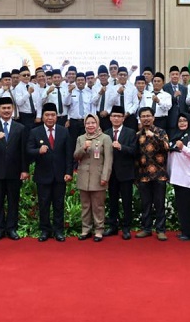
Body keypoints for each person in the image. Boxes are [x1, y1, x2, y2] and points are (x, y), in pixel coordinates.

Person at [0, 96, 29, 241]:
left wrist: (24, 169)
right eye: (4, 108)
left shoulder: (20, 128)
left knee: (13, 201)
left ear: (13, 109)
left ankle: (11, 228)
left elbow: (23, 150)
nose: (6, 110)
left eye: (9, 108)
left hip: (14, 171)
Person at [27, 103, 72, 242]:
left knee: (59, 204)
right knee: (44, 204)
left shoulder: (64, 131)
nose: (50, 118)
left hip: (60, 175)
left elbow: (68, 154)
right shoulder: (35, 132)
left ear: (57, 117)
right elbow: (28, 150)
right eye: (47, 115)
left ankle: (59, 231)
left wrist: (68, 172)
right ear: (43, 116)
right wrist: (38, 151)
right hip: (43, 175)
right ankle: (45, 230)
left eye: (53, 115)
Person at [74, 113, 112, 242]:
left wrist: (105, 176)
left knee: (98, 206)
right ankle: (86, 230)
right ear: (85, 125)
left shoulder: (105, 138)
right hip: (84, 176)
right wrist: (83, 148)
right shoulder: (81, 138)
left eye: (93, 123)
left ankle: (99, 230)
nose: (90, 125)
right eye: (88, 123)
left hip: (99, 176)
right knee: (85, 205)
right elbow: (76, 156)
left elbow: (108, 160)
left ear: (97, 124)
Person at [134, 107, 170, 240]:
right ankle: (146, 228)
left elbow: (167, 147)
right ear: (140, 119)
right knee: (145, 204)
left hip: (159, 174)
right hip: (143, 175)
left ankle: (160, 230)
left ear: (153, 118)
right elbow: (136, 156)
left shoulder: (160, 132)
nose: (146, 118)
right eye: (143, 116)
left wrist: (153, 137)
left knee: (159, 203)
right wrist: (136, 176)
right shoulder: (138, 135)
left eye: (148, 116)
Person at [103, 105, 138, 239]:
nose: (116, 118)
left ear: (123, 118)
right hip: (111, 173)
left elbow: (135, 151)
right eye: (114, 116)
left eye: (119, 116)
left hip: (126, 172)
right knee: (112, 201)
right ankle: (112, 226)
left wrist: (121, 147)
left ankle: (126, 227)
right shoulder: (105, 133)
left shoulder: (130, 132)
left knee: (127, 201)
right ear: (110, 118)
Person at [163, 66, 188, 131]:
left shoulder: (184, 88)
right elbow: (164, 103)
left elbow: (185, 104)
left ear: (179, 76)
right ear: (169, 76)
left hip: (182, 117)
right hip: (170, 117)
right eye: (173, 74)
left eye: (177, 74)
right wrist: (174, 96)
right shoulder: (165, 88)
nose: (175, 76)